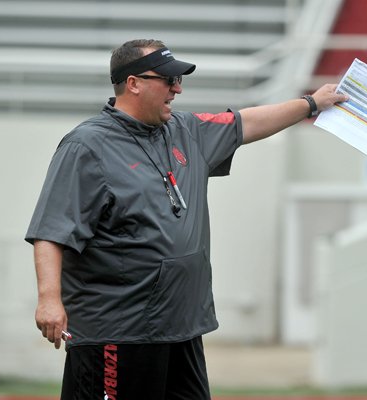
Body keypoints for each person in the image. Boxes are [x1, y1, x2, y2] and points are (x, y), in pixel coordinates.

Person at [25, 38, 348, 400]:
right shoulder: (86, 146)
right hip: (117, 331)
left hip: (178, 328)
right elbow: (52, 232)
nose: (177, 88)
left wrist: (311, 104)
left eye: (178, 80)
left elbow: (246, 123)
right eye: (167, 80)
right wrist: (49, 299)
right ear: (133, 83)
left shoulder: (185, 130)